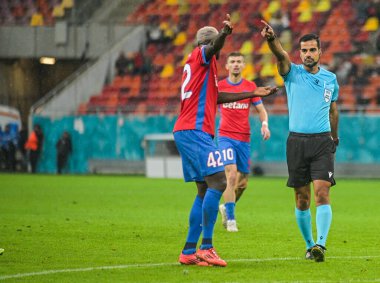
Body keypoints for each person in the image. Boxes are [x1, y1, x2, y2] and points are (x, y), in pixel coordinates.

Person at [173, 14, 277, 267]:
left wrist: (253, 92)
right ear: (207, 45)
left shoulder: (203, 69)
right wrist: (223, 34)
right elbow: (212, 46)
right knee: (220, 181)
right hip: (195, 131)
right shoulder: (201, 55)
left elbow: (219, 98)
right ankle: (207, 247)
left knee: (204, 188)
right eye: (213, 45)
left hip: (190, 131)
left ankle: (189, 251)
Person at [261, 20, 339, 262]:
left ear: (319, 51)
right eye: (304, 50)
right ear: (300, 53)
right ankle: (309, 246)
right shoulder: (291, 72)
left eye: (312, 50)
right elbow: (280, 54)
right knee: (302, 198)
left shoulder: (330, 79)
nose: (307, 54)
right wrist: (272, 39)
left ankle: (321, 245)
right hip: (296, 142)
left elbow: (333, 110)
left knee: (322, 192)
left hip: (322, 142)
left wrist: (334, 137)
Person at [217, 52, 271, 232]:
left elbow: (261, 109)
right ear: (227, 66)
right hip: (225, 136)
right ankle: (231, 220)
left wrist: (264, 124)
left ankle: (226, 207)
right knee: (230, 174)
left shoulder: (250, 87)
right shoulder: (220, 86)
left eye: (239, 62)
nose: (236, 64)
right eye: (232, 61)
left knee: (242, 183)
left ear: (244, 65)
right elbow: (207, 106)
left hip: (243, 139)